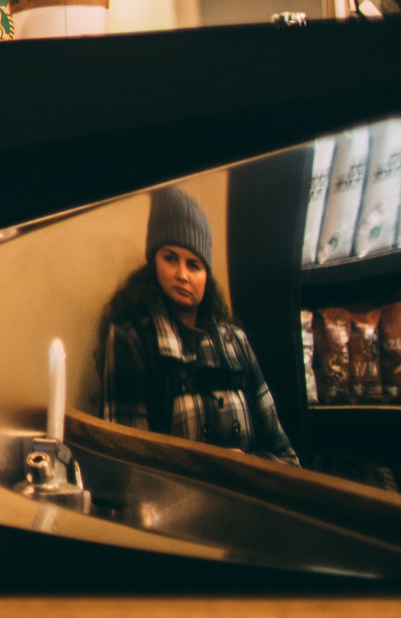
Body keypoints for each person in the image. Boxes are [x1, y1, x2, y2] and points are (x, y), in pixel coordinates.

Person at [99, 186, 297, 464]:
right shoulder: (130, 337)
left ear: (207, 275)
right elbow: (127, 464)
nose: (182, 275)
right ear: (153, 263)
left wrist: (246, 465)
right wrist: (208, 468)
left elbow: (286, 457)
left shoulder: (235, 341)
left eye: (194, 265)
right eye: (170, 258)